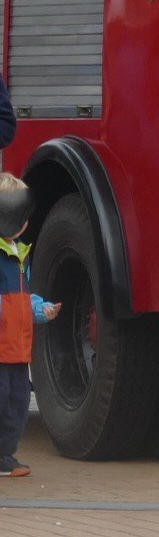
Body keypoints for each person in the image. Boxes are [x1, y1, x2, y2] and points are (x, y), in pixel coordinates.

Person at [0, 173, 60, 479]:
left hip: (18, 348)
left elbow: (23, 298)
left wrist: (40, 309)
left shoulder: (20, 254)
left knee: (17, 404)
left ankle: (4, 456)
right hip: (1, 347)